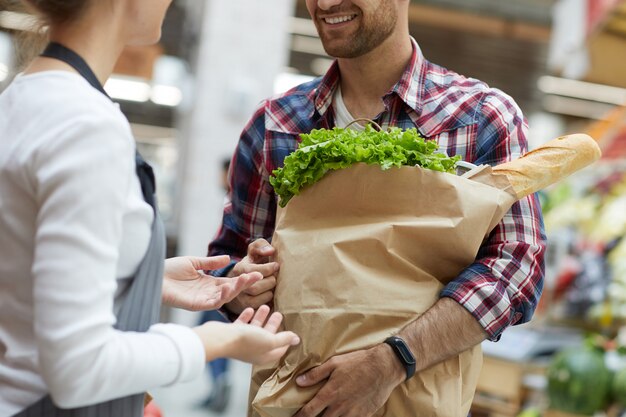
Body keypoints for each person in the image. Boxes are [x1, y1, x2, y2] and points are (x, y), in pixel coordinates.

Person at [208, 0, 546, 416]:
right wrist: (245, 286)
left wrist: (393, 361)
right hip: (293, 401)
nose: (325, 3)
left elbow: (517, 270)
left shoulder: (480, 118)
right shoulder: (275, 124)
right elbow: (228, 261)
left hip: (417, 398)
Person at [0, 1, 300, 416]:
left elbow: (21, 272)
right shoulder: (86, 124)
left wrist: (149, 277)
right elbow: (76, 368)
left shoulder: (19, 98)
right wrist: (219, 342)